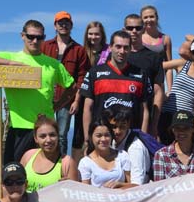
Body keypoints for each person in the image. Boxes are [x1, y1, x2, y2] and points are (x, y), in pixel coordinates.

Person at [0, 20, 75, 164]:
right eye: (30, 36)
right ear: (22, 36)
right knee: (13, 175)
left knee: (49, 174)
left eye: (39, 37)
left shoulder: (54, 64)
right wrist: (10, 64)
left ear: (44, 38)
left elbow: (72, 86)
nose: (35, 40)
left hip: (46, 130)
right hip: (19, 128)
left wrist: (58, 105)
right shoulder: (11, 58)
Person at [80, 30, 152, 145]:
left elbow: (144, 110)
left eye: (126, 47)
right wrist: (87, 139)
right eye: (118, 47)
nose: (122, 51)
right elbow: (87, 108)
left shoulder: (141, 74)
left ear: (130, 49)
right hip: (102, 138)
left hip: (131, 139)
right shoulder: (95, 72)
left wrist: (143, 138)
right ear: (110, 47)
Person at [41, 11, 91, 156]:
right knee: (44, 132)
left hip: (67, 98)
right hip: (46, 96)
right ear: (55, 26)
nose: (63, 25)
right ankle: (44, 162)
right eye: (60, 23)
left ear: (71, 25)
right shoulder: (45, 46)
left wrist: (77, 100)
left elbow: (82, 77)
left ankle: (61, 166)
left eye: (66, 23)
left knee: (62, 134)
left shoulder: (78, 50)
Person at [159, 38, 194, 143]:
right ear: (191, 53)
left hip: (186, 117)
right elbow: (156, 67)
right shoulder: (183, 63)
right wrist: (161, 91)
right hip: (167, 113)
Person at [124, 13, 165, 136]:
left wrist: (154, 125)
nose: (134, 31)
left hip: (144, 119)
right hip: (118, 120)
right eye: (130, 28)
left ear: (144, 29)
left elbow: (158, 92)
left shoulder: (154, 57)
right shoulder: (116, 57)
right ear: (124, 30)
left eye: (138, 28)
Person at [75, 21, 110, 162]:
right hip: (84, 96)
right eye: (91, 34)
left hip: (102, 96)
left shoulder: (108, 52)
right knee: (79, 135)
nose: (93, 37)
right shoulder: (82, 51)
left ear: (102, 35)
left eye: (97, 34)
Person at [20, 115, 78, 192]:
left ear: (58, 136)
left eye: (52, 135)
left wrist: (67, 188)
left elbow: (73, 197)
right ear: (35, 138)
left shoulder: (67, 163)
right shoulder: (28, 156)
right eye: (43, 136)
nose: (48, 140)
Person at [152, 111, 194, 181]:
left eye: (186, 128)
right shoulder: (161, 155)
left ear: (193, 129)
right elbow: (159, 186)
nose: (181, 132)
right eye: (177, 128)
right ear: (173, 130)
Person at [102, 106, 151, 185]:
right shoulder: (110, 140)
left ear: (128, 125)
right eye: (113, 127)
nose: (117, 131)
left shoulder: (135, 148)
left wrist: (119, 184)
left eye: (122, 127)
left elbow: (137, 184)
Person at [78, 119, 134, 188]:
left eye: (107, 135)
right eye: (99, 136)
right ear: (91, 137)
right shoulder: (85, 163)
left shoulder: (122, 156)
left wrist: (120, 184)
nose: (103, 139)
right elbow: (85, 191)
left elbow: (133, 185)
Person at [140, 5, 174, 90]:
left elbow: (169, 67)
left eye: (151, 16)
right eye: (145, 17)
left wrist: (170, 89)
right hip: (140, 84)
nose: (149, 20)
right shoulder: (138, 38)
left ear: (157, 18)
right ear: (141, 20)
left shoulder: (165, 39)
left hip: (158, 86)